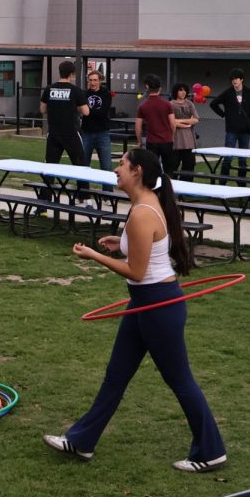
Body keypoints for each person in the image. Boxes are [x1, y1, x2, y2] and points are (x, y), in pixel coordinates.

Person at [45, 148, 227, 472]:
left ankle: (210, 451)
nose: (116, 169)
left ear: (137, 171)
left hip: (157, 305)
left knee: (180, 380)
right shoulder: (143, 206)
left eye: (121, 164)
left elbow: (137, 272)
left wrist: (93, 256)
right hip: (144, 303)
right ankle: (82, 440)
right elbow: (150, 248)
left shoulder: (143, 212)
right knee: (116, 376)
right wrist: (122, 242)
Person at [39, 60, 90, 201]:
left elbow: (42, 109)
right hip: (72, 133)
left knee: (49, 167)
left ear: (59, 72)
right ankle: (85, 198)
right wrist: (75, 107)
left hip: (54, 133)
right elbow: (86, 112)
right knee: (80, 165)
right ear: (72, 74)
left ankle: (44, 201)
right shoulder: (75, 90)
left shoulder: (49, 89)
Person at [209, 68, 250, 180]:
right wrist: (223, 114)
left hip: (245, 131)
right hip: (231, 130)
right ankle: (223, 181)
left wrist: (249, 120)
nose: (234, 81)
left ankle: (242, 182)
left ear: (242, 79)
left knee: (243, 158)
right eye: (232, 79)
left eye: (236, 78)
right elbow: (213, 104)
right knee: (228, 157)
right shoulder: (228, 93)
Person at [135, 75, 177, 176]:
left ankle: (153, 189)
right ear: (160, 88)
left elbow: (138, 126)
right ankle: (167, 189)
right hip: (167, 140)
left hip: (152, 141)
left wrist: (139, 141)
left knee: (152, 169)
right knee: (168, 170)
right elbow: (173, 123)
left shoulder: (143, 106)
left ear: (147, 87)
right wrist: (173, 136)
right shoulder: (167, 104)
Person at [81, 69, 114, 192]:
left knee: (106, 165)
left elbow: (103, 112)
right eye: (90, 80)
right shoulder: (84, 94)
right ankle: (83, 193)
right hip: (86, 133)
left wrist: (88, 111)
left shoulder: (106, 94)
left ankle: (108, 194)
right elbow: (80, 110)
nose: (92, 83)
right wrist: (87, 112)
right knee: (84, 164)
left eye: (95, 80)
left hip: (102, 133)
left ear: (100, 81)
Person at [170, 83, 200, 180]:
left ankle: (186, 188)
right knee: (173, 165)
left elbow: (196, 119)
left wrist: (180, 121)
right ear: (176, 91)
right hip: (175, 139)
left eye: (184, 90)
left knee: (189, 164)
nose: (183, 92)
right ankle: (172, 188)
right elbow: (170, 122)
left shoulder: (189, 104)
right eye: (180, 90)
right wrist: (186, 123)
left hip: (189, 140)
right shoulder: (171, 104)